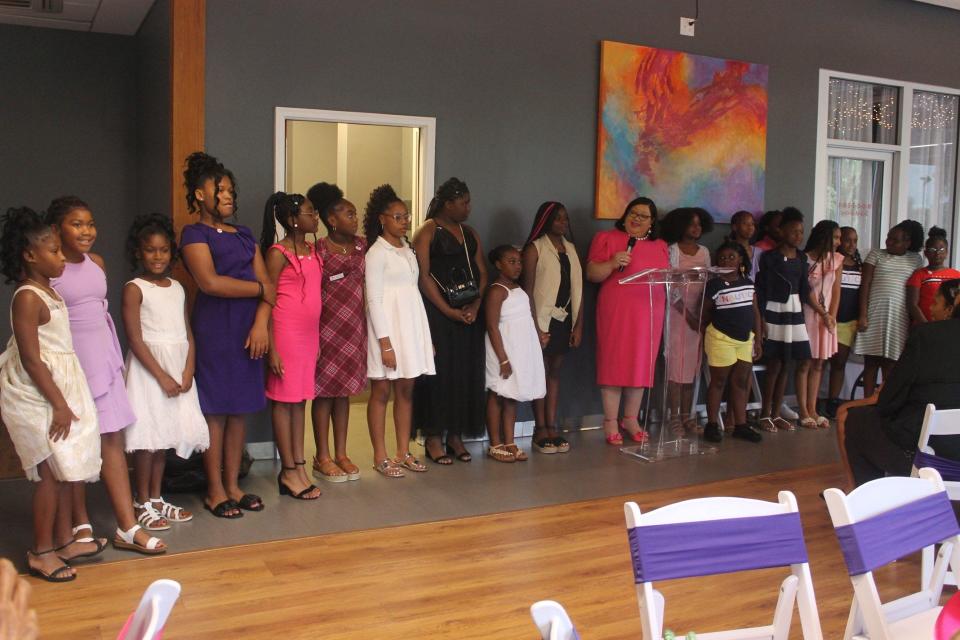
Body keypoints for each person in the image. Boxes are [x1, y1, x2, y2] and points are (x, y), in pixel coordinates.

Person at [47, 197, 164, 555]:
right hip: (71, 366)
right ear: (56, 230)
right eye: (77, 224)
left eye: (90, 223)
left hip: (104, 360)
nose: (87, 231)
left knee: (111, 440)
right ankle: (79, 521)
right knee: (77, 446)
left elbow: (100, 313)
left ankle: (127, 527)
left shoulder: (97, 263)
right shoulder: (47, 269)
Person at [0, 208, 102, 582]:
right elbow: (30, 358)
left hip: (58, 384)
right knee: (48, 473)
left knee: (61, 471)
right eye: (55, 251)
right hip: (36, 393)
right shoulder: (27, 297)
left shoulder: (49, 291)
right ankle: (41, 551)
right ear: (30, 255)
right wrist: (59, 403)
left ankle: (61, 541)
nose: (62, 258)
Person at [180, 151, 273, 518]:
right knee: (215, 412)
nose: (228, 196)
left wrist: (262, 322)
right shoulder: (194, 233)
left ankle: (234, 484)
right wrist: (258, 291)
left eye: (231, 190)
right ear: (200, 195)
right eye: (219, 189)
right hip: (216, 328)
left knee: (240, 412)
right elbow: (210, 282)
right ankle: (214, 489)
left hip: (250, 330)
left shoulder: (246, 235)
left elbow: (269, 284)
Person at [121, 213, 208, 530]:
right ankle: (140, 501)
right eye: (150, 250)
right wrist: (161, 376)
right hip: (149, 372)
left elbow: (188, 333)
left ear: (171, 252)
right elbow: (135, 337)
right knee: (148, 440)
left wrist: (188, 369)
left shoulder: (179, 287)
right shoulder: (134, 288)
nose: (157, 256)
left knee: (165, 438)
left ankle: (156, 498)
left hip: (177, 367)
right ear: (138, 252)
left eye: (163, 250)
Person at [843, 299, 960, 486]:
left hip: (929, 460)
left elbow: (888, 401)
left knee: (855, 419)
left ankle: (871, 506)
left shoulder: (927, 336)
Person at [413, 178, 487, 464]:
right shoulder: (428, 231)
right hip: (438, 314)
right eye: (464, 202)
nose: (468, 207)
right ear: (448, 203)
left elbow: (482, 271)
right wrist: (447, 310)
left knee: (464, 374)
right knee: (439, 375)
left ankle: (455, 435)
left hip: (468, 313)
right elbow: (423, 276)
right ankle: (433, 437)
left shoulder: (470, 233)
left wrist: (476, 305)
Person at [365, 185, 435, 478]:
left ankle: (402, 451)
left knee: (406, 389)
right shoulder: (376, 253)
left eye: (406, 216)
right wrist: (385, 343)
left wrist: (425, 339)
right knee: (382, 390)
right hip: (387, 329)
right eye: (397, 216)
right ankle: (380, 456)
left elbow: (413, 293)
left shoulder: (408, 249)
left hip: (411, 325)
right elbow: (374, 299)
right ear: (383, 219)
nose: (404, 221)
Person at [586, 196, 669, 444]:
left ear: (652, 222)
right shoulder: (607, 238)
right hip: (617, 309)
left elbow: (667, 277)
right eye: (633, 212)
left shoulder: (661, 245)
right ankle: (610, 421)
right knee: (615, 361)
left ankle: (631, 419)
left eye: (643, 216)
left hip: (649, 311)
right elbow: (592, 274)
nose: (636, 218)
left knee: (641, 363)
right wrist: (612, 262)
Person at [260, 192, 323, 501]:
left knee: (300, 401)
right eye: (311, 212)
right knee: (284, 401)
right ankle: (287, 471)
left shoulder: (312, 249)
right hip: (285, 334)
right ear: (293, 219)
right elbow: (268, 300)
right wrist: (272, 347)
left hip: (309, 337)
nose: (316, 217)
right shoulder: (277, 253)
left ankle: (298, 464)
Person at [307, 182, 366, 483]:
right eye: (349, 214)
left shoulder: (361, 246)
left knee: (343, 394)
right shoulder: (318, 251)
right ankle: (322, 456)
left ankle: (341, 453)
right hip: (326, 330)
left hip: (353, 329)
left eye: (355, 214)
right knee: (324, 395)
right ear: (331, 220)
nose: (354, 219)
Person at [521, 201, 582, 454]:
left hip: (564, 319)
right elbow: (528, 290)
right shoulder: (535, 248)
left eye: (565, 218)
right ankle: (540, 428)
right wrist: (534, 328)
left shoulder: (570, 248)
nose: (562, 222)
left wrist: (578, 326)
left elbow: (578, 290)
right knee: (541, 373)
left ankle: (552, 425)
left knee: (555, 372)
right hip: (541, 320)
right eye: (557, 218)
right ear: (545, 220)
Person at [756, 207, 816, 432]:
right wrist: (761, 318)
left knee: (788, 364)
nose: (798, 236)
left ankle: (776, 413)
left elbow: (805, 288)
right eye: (793, 231)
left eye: (801, 232)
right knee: (774, 364)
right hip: (775, 311)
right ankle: (764, 415)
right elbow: (761, 289)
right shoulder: (769, 257)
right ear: (781, 231)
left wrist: (821, 311)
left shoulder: (801, 257)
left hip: (795, 312)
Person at [485, 245, 547, 463]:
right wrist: (503, 358)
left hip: (519, 351)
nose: (518, 265)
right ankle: (495, 442)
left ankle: (509, 440)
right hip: (502, 352)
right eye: (511, 261)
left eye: (519, 261)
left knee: (512, 395)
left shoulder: (518, 289)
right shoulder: (496, 291)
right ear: (498, 264)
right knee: (497, 393)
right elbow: (492, 327)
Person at [701, 241, 762, 444]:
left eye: (731, 257)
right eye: (722, 258)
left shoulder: (748, 283)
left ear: (741, 261)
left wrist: (758, 339)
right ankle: (711, 424)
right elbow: (705, 312)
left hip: (745, 340)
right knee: (718, 382)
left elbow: (755, 312)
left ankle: (741, 425)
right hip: (721, 339)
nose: (726, 260)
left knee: (741, 382)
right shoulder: (714, 285)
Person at [855, 220, 925, 398]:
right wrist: (862, 314)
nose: (889, 242)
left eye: (895, 240)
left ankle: (885, 403)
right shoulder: (876, 254)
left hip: (898, 317)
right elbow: (866, 284)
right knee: (871, 362)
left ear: (907, 242)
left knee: (891, 363)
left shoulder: (915, 259)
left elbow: (916, 288)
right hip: (874, 313)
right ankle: (868, 402)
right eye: (888, 238)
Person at [660, 207, 713, 433]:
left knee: (692, 368)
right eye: (692, 224)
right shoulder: (671, 250)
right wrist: (687, 314)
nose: (696, 228)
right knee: (675, 367)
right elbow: (669, 286)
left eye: (699, 224)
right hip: (677, 316)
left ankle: (687, 415)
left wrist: (701, 313)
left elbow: (708, 282)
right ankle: (673, 416)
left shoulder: (705, 252)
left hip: (699, 316)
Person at [795, 220, 843, 429]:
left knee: (819, 363)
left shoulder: (837, 260)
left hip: (827, 319)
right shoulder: (804, 259)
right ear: (823, 237)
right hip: (809, 314)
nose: (838, 242)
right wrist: (823, 313)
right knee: (805, 362)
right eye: (835, 237)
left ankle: (813, 409)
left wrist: (831, 315)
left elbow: (836, 292)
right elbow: (806, 292)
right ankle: (803, 411)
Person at [825, 227, 862, 418]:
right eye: (847, 240)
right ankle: (813, 400)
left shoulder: (859, 266)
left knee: (839, 362)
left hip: (848, 322)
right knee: (820, 362)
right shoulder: (831, 263)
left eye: (855, 241)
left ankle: (833, 400)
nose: (851, 245)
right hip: (828, 319)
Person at [907, 226, 960, 324]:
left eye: (941, 249)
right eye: (932, 250)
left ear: (947, 252)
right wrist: (927, 327)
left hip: (950, 328)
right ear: (926, 253)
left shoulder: (956, 275)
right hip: (924, 327)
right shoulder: (919, 274)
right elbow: (912, 304)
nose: (937, 253)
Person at [729, 210, 761, 280]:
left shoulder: (759, 252)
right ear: (734, 227)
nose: (750, 227)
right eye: (745, 223)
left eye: (752, 224)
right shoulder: (727, 252)